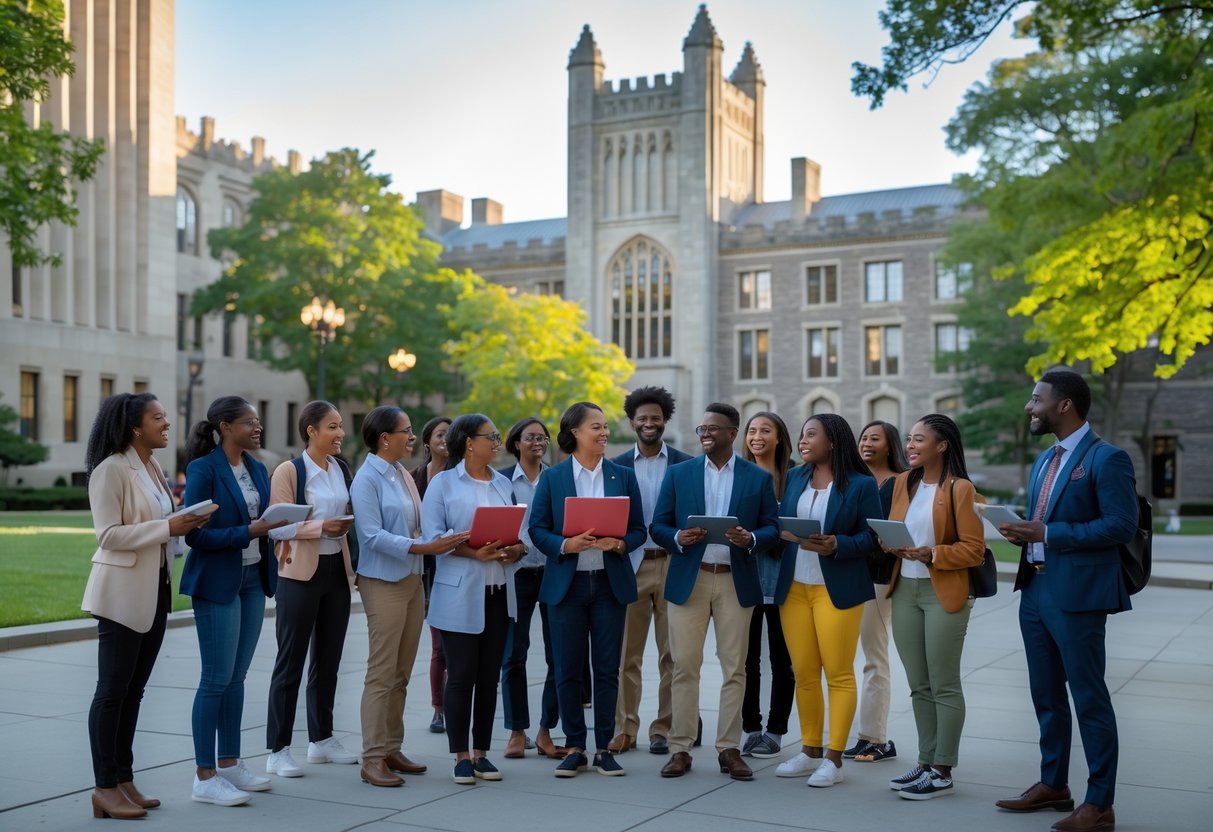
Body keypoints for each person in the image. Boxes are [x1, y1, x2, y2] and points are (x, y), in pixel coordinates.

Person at [994, 370, 1137, 832]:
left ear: (1064, 405)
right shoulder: (1044, 460)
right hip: (1034, 591)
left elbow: (1120, 526)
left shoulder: (1106, 459)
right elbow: (1043, 524)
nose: (1028, 408)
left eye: (1036, 400)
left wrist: (1048, 533)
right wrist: (1024, 535)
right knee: (1046, 695)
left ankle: (1100, 804)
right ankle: (1053, 784)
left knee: (1088, 697)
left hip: (1077, 596)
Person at [82, 393, 210, 820]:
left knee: (133, 691)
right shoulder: (111, 469)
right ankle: (104, 786)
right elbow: (108, 535)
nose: (166, 423)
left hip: (155, 589)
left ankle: (123, 778)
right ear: (135, 426)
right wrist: (167, 526)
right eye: (158, 418)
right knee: (112, 692)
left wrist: (182, 525)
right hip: (120, 594)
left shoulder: (152, 467)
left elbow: (159, 528)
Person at [650, 402, 780, 781]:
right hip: (689, 579)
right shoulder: (680, 474)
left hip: (734, 581)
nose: (705, 434)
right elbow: (658, 524)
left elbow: (772, 529)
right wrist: (678, 536)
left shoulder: (756, 479)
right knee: (684, 667)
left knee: (734, 669)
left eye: (712, 428)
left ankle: (728, 748)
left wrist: (751, 538)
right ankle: (680, 748)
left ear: (732, 433)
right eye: (701, 429)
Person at [351, 406, 468, 787]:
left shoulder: (402, 473)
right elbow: (370, 536)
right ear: (385, 438)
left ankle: (391, 747)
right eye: (406, 430)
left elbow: (415, 524)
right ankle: (371, 758)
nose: (412, 436)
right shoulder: (367, 478)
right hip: (382, 582)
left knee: (401, 674)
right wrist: (423, 548)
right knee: (382, 673)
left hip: (412, 582)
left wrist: (434, 543)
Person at [529, 402, 647, 778]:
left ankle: (604, 748)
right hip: (568, 585)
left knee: (607, 670)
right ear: (575, 432)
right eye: (595, 427)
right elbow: (538, 529)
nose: (604, 433)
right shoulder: (553, 478)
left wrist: (620, 544)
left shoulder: (623, 476)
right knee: (567, 669)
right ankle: (575, 745)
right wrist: (567, 545)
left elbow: (639, 529)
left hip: (610, 585)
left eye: (605, 427)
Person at [181, 397, 285, 806]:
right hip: (218, 581)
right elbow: (194, 536)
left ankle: (229, 763)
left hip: (253, 580)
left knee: (237, 678)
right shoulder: (203, 469)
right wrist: (250, 531)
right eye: (249, 422)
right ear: (224, 427)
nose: (257, 428)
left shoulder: (258, 468)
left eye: (258, 421)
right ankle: (204, 775)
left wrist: (278, 530)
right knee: (215, 678)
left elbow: (264, 523)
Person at [772, 414, 881, 787]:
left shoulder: (862, 485)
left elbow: (872, 538)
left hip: (837, 589)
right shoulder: (797, 477)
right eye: (801, 435)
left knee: (838, 672)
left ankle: (834, 759)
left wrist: (838, 544)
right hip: (795, 588)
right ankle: (810, 750)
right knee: (803, 673)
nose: (802, 441)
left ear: (832, 440)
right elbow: (782, 522)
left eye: (811, 435)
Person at [882, 414, 986, 800]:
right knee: (918, 684)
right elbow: (892, 529)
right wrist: (889, 542)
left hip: (942, 592)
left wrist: (931, 554)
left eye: (918, 440)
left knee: (944, 683)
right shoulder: (901, 484)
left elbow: (974, 550)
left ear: (941, 446)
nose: (910, 446)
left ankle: (943, 769)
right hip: (905, 589)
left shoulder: (962, 489)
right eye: (908, 439)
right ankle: (925, 761)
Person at [420, 413, 526, 785]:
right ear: (468, 442)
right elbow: (434, 539)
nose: (497, 442)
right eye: (491, 436)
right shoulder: (443, 484)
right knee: (461, 677)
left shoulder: (502, 483)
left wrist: (515, 550)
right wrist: (473, 551)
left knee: (488, 678)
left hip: (498, 591)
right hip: (459, 593)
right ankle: (460, 755)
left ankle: (482, 753)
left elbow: (520, 535)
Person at [263, 401, 356, 778]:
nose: (340, 434)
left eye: (340, 427)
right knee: (291, 662)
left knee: (328, 660)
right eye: (332, 427)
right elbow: (274, 526)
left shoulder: (340, 469)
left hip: (336, 570)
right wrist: (321, 528)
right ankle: (278, 749)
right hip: (299, 573)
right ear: (311, 431)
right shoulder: (290, 471)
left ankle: (321, 739)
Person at [610, 386, 692, 756]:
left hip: (674, 563)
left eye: (655, 418)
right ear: (632, 423)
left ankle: (665, 728)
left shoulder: (686, 465)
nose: (648, 423)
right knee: (626, 654)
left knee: (672, 655)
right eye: (642, 418)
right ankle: (625, 728)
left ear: (665, 421)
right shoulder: (615, 468)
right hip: (631, 566)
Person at [498, 417, 566, 760]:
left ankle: (545, 730)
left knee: (558, 655)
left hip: (554, 571)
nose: (538, 442)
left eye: (543, 437)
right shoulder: (502, 482)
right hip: (518, 574)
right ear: (516, 443)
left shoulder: (558, 479)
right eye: (530, 437)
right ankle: (516, 730)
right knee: (513, 654)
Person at [844, 420, 907, 763]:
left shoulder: (900, 482)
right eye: (863, 437)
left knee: (874, 657)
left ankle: (874, 738)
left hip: (880, 578)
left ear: (890, 445)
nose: (867, 443)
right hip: (847, 574)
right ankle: (861, 734)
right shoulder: (853, 481)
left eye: (875, 438)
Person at [739, 411, 796, 760]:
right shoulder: (739, 476)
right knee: (746, 660)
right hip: (747, 574)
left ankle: (775, 731)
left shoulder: (796, 478)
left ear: (779, 438)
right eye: (751, 430)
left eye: (765, 430)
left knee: (782, 658)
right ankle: (751, 729)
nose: (756, 436)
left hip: (786, 578)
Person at [412, 415, 451, 735]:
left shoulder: (463, 477)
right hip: (426, 571)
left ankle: (458, 702)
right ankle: (439, 709)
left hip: (460, 564)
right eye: (440, 434)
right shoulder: (413, 478)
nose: (446, 438)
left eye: (452, 434)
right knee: (439, 647)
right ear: (427, 442)